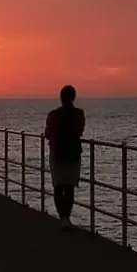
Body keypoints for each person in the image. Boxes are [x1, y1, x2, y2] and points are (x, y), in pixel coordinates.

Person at [45, 84, 85, 229]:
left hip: (57, 153)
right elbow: (80, 131)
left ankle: (62, 218)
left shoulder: (53, 115)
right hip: (73, 153)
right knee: (69, 187)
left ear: (60, 97)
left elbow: (48, 134)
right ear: (73, 97)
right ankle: (67, 218)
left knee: (57, 186)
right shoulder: (79, 114)